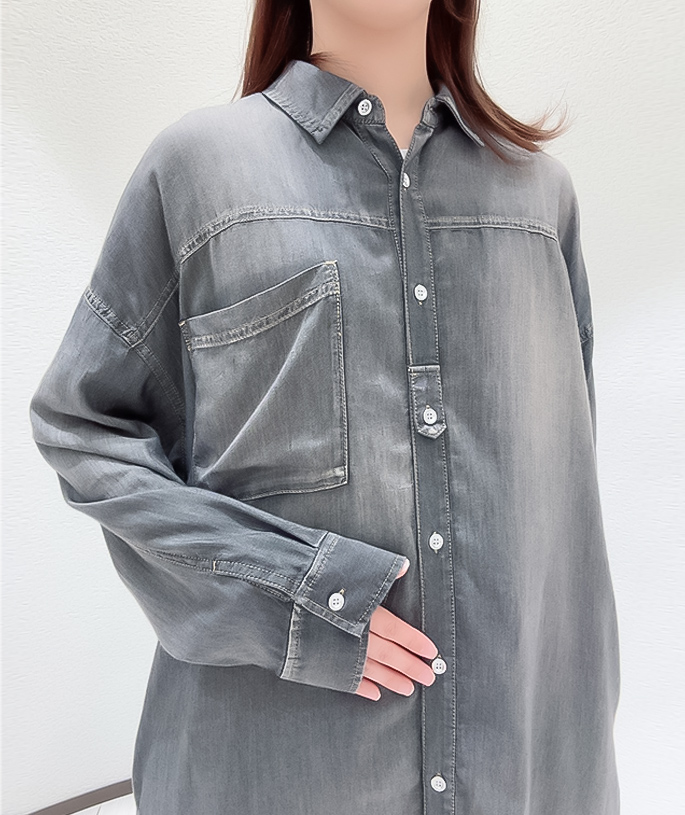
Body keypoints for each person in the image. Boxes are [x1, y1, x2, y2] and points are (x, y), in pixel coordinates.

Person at [28, 1, 621, 813]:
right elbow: (84, 426)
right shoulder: (200, 168)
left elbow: (560, 509)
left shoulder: (538, 197)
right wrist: (295, 592)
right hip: (269, 772)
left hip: (521, 770)